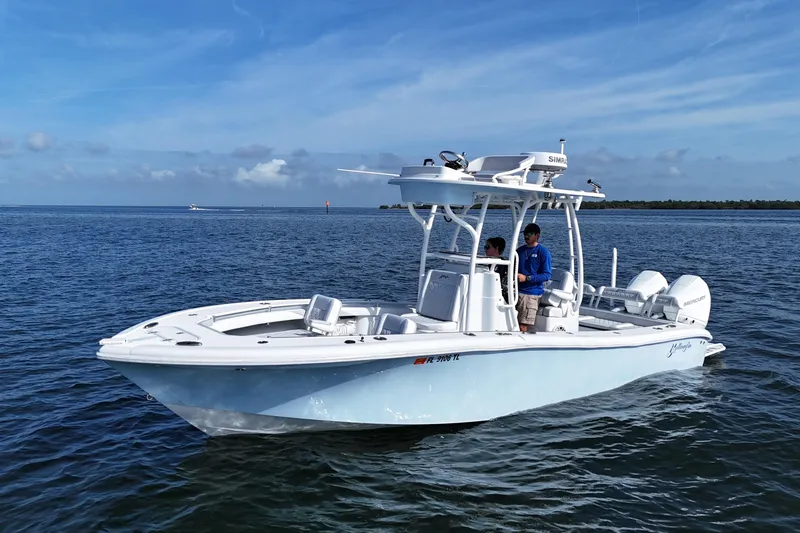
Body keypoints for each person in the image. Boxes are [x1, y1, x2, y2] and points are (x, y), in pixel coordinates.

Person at [515, 223, 552, 332]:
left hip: (531, 293)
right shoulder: (519, 251)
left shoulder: (543, 252)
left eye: (529, 234)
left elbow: (546, 275)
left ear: (537, 235)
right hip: (516, 291)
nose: (526, 236)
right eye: (525, 234)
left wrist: (527, 278)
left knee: (522, 325)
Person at [484, 237, 508, 302]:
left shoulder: (504, 265)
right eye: (485, 247)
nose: (485, 249)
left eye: (488, 247)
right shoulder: (484, 262)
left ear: (496, 248)